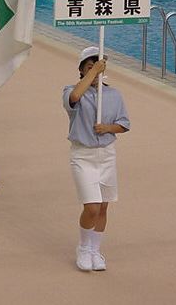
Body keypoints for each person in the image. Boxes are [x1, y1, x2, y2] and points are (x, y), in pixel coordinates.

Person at [63, 47, 130, 271]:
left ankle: (94, 250)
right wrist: (94, 72)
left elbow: (124, 124)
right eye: (89, 67)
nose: (95, 71)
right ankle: (83, 248)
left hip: (107, 155)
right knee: (91, 207)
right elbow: (74, 98)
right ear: (82, 69)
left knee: (103, 207)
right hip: (83, 155)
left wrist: (108, 128)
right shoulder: (72, 91)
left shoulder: (114, 95)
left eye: (98, 67)